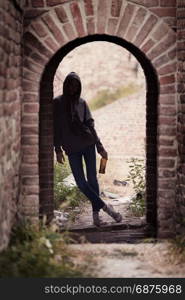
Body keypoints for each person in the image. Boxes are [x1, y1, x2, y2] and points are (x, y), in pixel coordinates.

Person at [53, 72, 122, 226]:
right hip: (71, 148)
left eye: (76, 86)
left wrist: (100, 147)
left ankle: (96, 216)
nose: (73, 88)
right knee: (81, 182)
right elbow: (55, 128)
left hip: (88, 145)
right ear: (66, 85)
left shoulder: (82, 103)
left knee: (92, 179)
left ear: (79, 87)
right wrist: (57, 149)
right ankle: (106, 208)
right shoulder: (57, 103)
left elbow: (90, 125)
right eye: (70, 85)